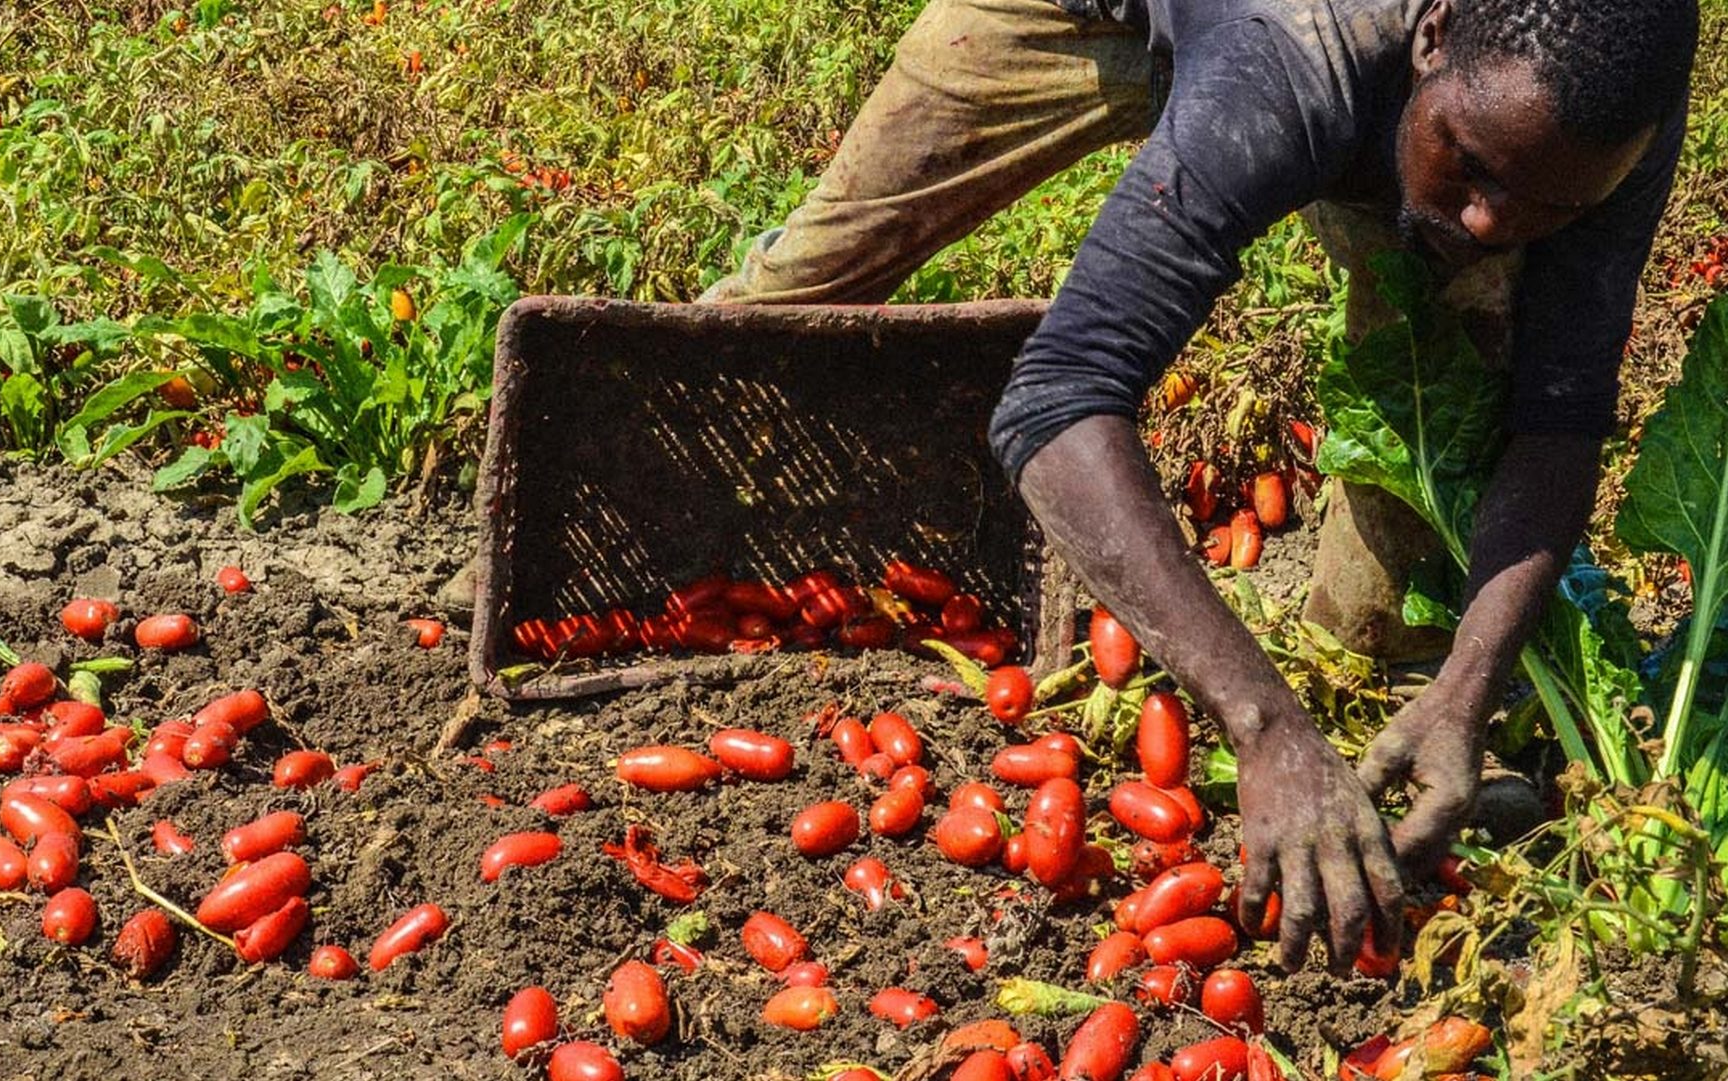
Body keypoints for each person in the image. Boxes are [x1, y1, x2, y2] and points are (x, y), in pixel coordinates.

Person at [701, 0, 1699, 973]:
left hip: (1393, 97)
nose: (1490, 222)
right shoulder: (1301, 56)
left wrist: (1467, 690)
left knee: (1448, 372)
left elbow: (1558, 418)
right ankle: (689, 464)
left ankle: (1384, 701)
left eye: (1549, 204)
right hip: (1104, 15)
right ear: (1431, 34)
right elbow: (1058, 398)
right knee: (820, 270)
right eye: (1470, 168)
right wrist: (1262, 727)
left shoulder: (1604, 97)